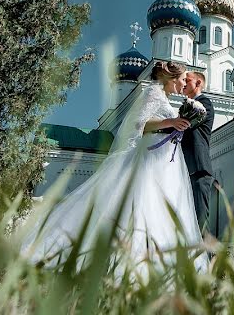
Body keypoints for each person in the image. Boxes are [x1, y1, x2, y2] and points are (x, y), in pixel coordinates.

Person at [19, 61, 208, 273]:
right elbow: (137, 124)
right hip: (149, 159)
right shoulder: (152, 92)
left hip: (163, 160)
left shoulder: (164, 97)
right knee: (140, 203)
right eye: (182, 79)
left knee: (159, 208)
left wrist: (176, 125)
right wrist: (170, 123)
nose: (184, 85)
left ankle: (153, 262)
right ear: (170, 78)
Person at [181, 71, 216, 233]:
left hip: (198, 168)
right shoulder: (186, 105)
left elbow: (184, 125)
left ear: (198, 83)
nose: (183, 83)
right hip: (185, 169)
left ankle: (206, 258)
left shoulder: (204, 104)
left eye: (187, 80)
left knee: (199, 220)